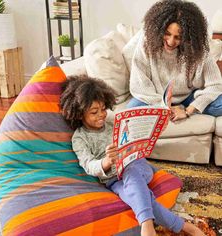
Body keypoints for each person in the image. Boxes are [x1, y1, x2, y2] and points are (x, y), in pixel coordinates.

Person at [60, 75, 205, 236]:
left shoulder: (112, 125)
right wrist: (106, 162)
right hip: (113, 180)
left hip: (136, 167)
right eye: (94, 112)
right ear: (79, 114)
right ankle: (185, 227)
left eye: (103, 109)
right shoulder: (79, 138)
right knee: (138, 197)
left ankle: (146, 226)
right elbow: (88, 165)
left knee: (131, 174)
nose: (101, 115)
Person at [128, 0, 222, 122]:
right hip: (157, 97)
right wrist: (166, 107)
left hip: (189, 97)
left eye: (178, 37)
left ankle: (182, 107)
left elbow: (215, 85)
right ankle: (174, 109)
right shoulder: (147, 42)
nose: (171, 42)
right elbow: (139, 86)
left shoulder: (198, 47)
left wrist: (189, 110)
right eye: (167, 34)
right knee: (132, 110)